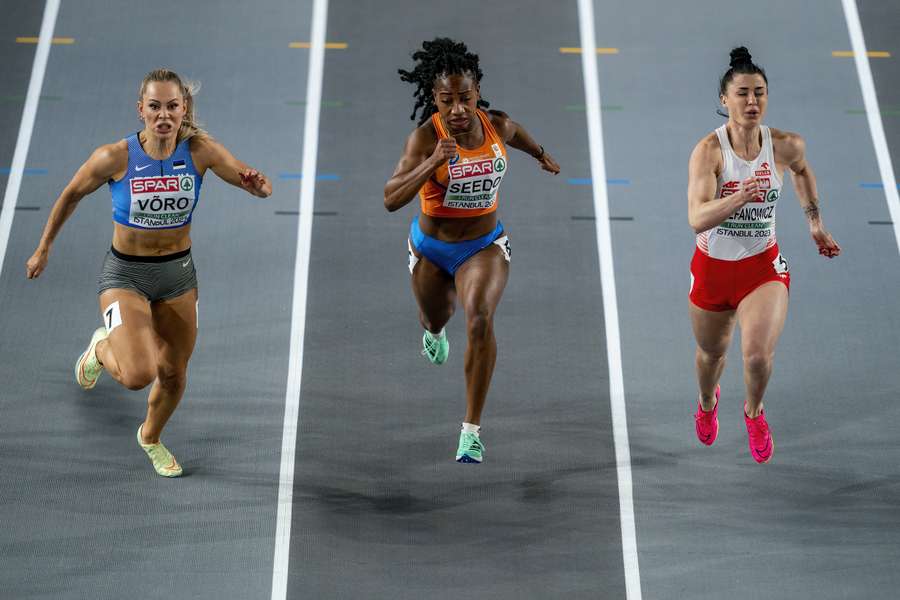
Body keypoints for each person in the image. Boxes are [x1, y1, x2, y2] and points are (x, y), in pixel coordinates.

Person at [26, 68, 271, 477]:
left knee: (174, 373)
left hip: (177, 275)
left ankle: (151, 437)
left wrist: (257, 186)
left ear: (184, 108)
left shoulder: (200, 151)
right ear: (140, 110)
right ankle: (102, 349)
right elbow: (71, 194)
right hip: (126, 275)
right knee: (139, 374)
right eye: (155, 106)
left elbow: (249, 180)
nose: (164, 115)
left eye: (172, 106)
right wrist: (43, 247)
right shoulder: (114, 157)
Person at [384, 38, 560, 463]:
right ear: (435, 99)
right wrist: (431, 163)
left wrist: (541, 154)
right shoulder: (425, 138)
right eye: (448, 100)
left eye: (465, 97)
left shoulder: (494, 124)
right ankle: (433, 331)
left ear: (477, 91)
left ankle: (471, 431)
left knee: (479, 319)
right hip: (432, 249)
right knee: (435, 315)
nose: (458, 109)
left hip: (484, 246)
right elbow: (391, 199)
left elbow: (516, 134)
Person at [687, 47, 840, 463]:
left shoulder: (785, 145)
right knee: (711, 355)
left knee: (756, 356)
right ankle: (706, 402)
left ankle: (754, 413)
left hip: (762, 267)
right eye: (742, 94)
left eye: (759, 93)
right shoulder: (709, 152)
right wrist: (737, 200)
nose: (752, 101)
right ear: (725, 100)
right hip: (713, 268)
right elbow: (697, 218)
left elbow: (803, 171)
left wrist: (814, 222)